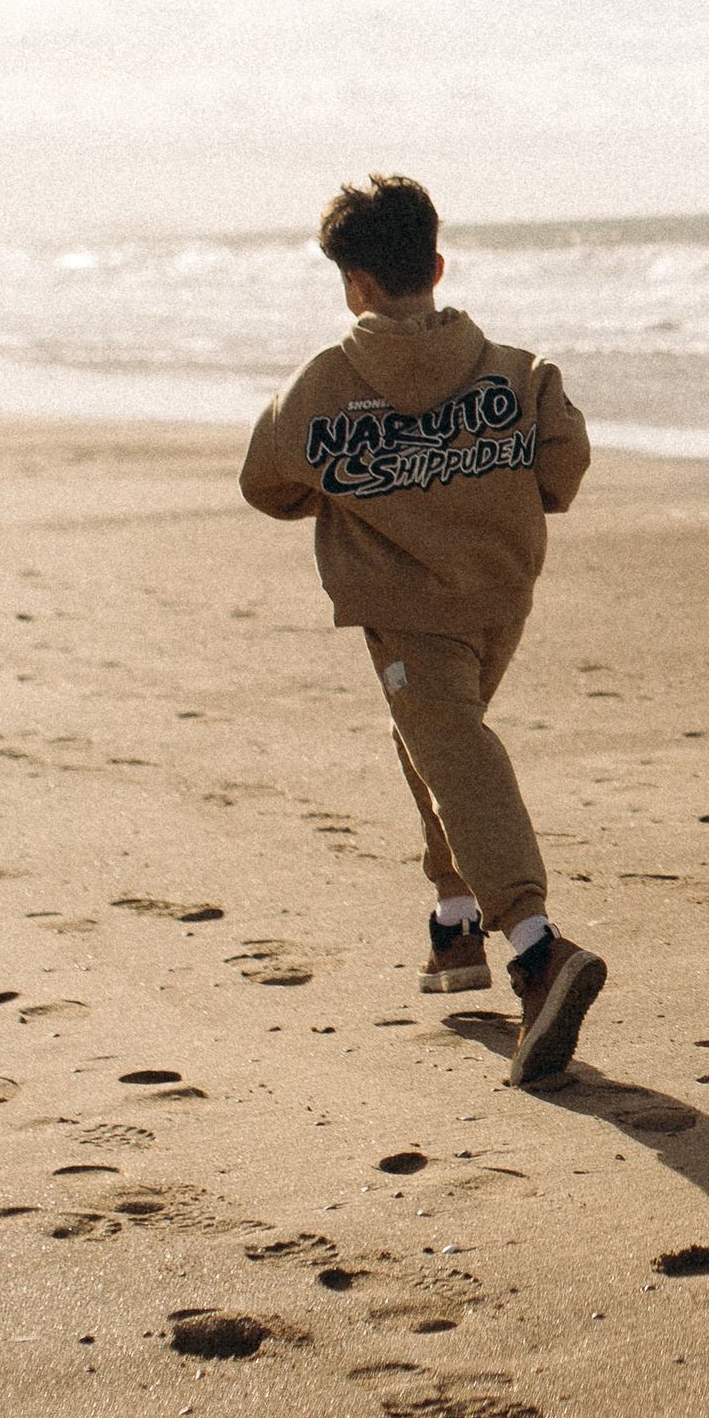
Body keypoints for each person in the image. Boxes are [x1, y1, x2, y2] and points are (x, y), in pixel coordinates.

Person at [239, 172, 610, 1088]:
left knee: (450, 744)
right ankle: (453, 925)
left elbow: (266, 481)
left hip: (407, 607)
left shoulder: (323, 384)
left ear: (354, 283)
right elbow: (564, 458)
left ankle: (532, 947)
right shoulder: (520, 372)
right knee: (441, 741)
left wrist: (359, 488)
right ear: (435, 265)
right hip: (499, 596)